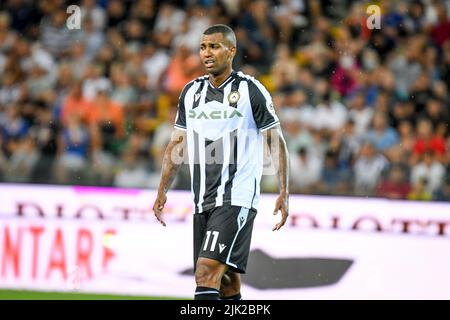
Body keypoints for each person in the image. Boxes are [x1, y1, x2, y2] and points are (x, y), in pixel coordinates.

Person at [152, 24, 290, 300]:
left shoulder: (251, 90)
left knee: (205, 273)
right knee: (226, 283)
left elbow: (275, 141)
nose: (207, 53)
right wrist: (162, 189)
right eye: (203, 47)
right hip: (202, 199)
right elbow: (176, 144)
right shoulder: (190, 93)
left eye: (214, 46)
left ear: (231, 51)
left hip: (236, 197)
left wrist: (284, 190)